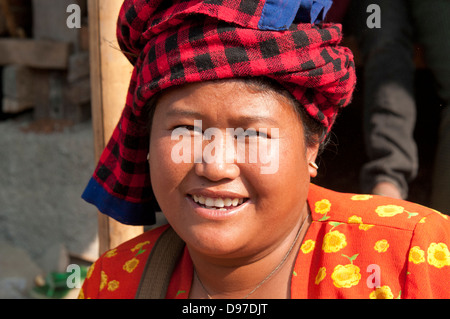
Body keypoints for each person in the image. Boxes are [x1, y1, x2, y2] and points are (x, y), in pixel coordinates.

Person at [79, 0, 450, 299]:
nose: (216, 166)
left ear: (311, 147)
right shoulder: (113, 284)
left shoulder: (411, 259)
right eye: (184, 130)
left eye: (251, 135)